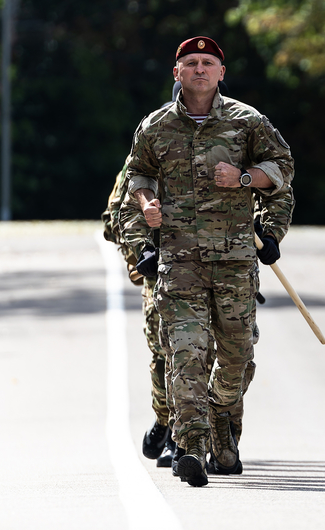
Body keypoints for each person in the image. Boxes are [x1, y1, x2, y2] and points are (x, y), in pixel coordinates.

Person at [124, 36, 294, 487]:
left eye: (208, 63)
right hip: (178, 264)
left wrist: (244, 181)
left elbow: (282, 170)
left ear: (221, 72)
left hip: (235, 261)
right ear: (176, 73)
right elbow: (136, 176)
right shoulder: (155, 127)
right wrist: (146, 207)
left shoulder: (247, 122)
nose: (199, 69)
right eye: (190, 63)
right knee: (185, 354)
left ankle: (222, 419)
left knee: (236, 358)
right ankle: (191, 447)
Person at [102, 161, 177, 467]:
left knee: (206, 352)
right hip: (158, 269)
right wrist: (141, 252)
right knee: (164, 352)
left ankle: (191, 433)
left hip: (206, 267)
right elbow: (113, 219)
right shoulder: (140, 165)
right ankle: (167, 423)